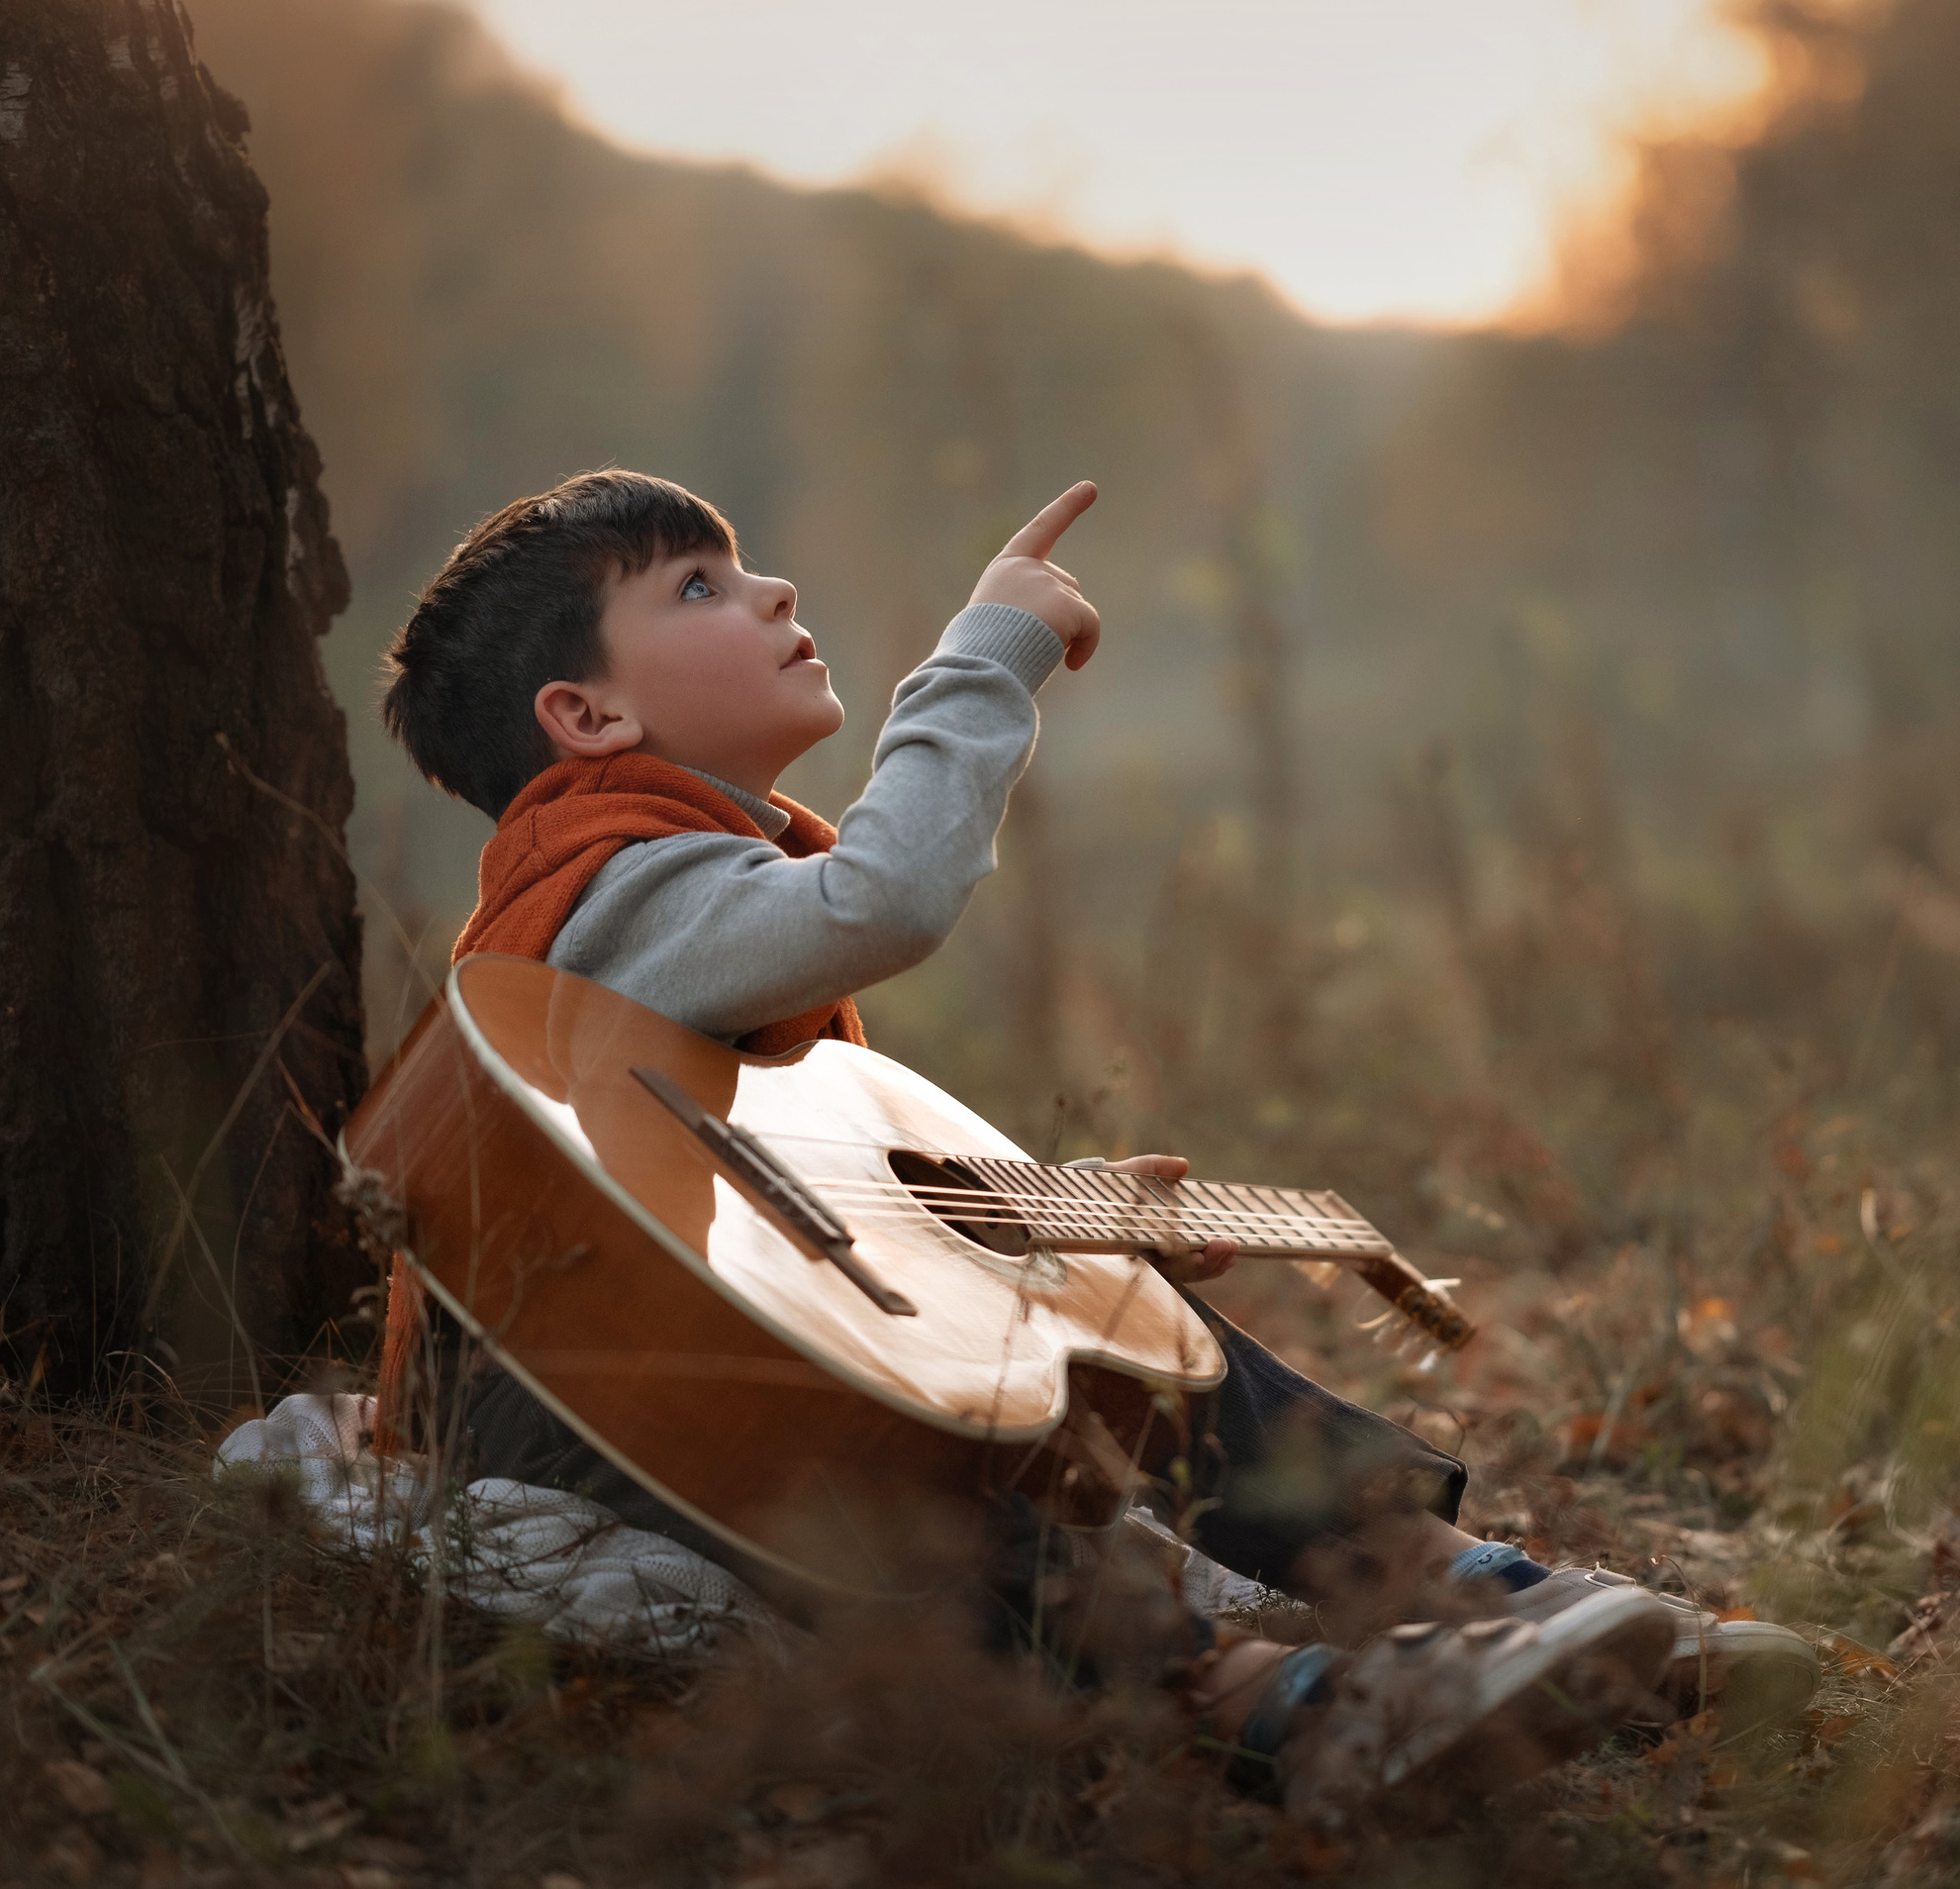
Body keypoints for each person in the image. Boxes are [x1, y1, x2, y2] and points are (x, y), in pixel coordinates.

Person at [370, 469, 1816, 1826]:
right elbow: (884, 899)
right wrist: (986, 657)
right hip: (599, 1413)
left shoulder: (665, 879)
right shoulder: (614, 885)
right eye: (696, 587)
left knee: (1114, 1313)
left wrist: (1029, 1216)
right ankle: (1263, 1697)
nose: (770, 591)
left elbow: (739, 1201)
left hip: (657, 1360)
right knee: (909, 1453)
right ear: (588, 719)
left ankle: (1425, 1581)